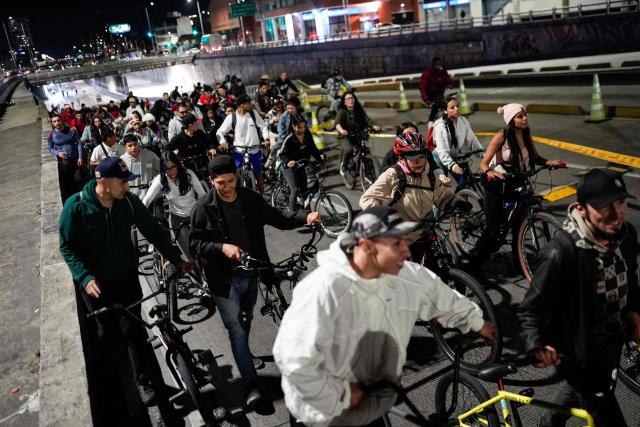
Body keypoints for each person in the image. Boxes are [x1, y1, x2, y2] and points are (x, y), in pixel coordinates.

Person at [273, 206, 497, 426]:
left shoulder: (404, 275)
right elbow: (294, 358)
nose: (407, 251)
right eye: (396, 243)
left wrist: (477, 323)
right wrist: (343, 394)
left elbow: (440, 296)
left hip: (370, 396)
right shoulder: (324, 289)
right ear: (367, 247)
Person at [59, 156, 193, 407]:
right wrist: (84, 277)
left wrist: (176, 260)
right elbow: (67, 247)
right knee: (106, 335)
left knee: (133, 330)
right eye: (123, 182)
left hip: (126, 276)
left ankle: (142, 380)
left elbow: (153, 230)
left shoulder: (128, 203)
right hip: (96, 285)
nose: (128, 187)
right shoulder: (75, 207)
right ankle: (114, 390)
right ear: (105, 182)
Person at [189, 155, 321, 407]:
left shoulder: (249, 198)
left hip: (252, 274)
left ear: (237, 177)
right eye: (220, 183)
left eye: (231, 181)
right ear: (210, 182)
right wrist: (221, 247)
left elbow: (277, 217)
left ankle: (244, 352)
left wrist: (305, 216)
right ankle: (251, 386)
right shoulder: (203, 207)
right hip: (224, 281)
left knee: (246, 320)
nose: (227, 187)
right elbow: (195, 245)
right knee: (236, 330)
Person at [518, 168, 640, 427]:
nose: (616, 214)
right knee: (601, 405)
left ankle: (549, 422)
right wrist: (536, 345)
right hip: (579, 347)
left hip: (613, 336)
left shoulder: (626, 235)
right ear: (581, 208)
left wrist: (632, 311)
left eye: (620, 203)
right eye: (605, 206)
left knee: (586, 390)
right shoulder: (561, 253)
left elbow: (631, 279)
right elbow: (531, 310)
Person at [468, 104, 564, 268]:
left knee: (518, 225)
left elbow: (534, 156)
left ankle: (520, 265)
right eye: (520, 116)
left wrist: (549, 162)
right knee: (493, 232)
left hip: (515, 183)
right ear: (511, 119)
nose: (525, 118)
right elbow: (484, 163)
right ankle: (472, 263)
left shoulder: (526, 133)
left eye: (525, 115)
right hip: (497, 185)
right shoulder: (502, 135)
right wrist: (490, 172)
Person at [360, 131, 457, 261]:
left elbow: (440, 196)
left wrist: (456, 202)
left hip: (424, 232)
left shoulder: (429, 175)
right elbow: (367, 199)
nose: (418, 162)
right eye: (412, 158)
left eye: (421, 157)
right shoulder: (393, 175)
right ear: (401, 159)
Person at [142, 151, 206, 257]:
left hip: (195, 216)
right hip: (177, 220)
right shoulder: (161, 179)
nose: (171, 172)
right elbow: (147, 200)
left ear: (178, 165)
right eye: (167, 169)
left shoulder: (188, 174)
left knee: (204, 250)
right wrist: (139, 216)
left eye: (173, 167)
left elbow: (202, 195)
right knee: (190, 255)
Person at [215, 94, 269, 192]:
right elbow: (219, 132)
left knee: (260, 180)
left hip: (254, 150)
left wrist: (266, 139)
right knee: (236, 177)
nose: (251, 105)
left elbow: (263, 126)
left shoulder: (253, 113)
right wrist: (223, 142)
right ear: (241, 105)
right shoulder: (232, 117)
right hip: (239, 152)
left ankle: (262, 199)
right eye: (248, 103)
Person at [279, 114, 326, 211]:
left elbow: (313, 149)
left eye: (304, 126)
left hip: (300, 166)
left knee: (305, 191)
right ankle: (291, 214)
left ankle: (307, 216)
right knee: (295, 189)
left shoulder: (307, 135)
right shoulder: (289, 138)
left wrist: (320, 156)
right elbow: (281, 154)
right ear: (293, 126)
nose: (303, 130)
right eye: (299, 127)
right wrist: (288, 161)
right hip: (289, 167)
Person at [432, 95, 483, 181]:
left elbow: (472, 140)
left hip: (455, 155)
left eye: (457, 106)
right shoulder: (441, 126)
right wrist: (452, 165)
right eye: (452, 107)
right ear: (445, 111)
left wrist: (482, 153)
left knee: (465, 181)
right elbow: (442, 151)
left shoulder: (463, 121)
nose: (456, 109)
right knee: (444, 185)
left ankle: (463, 193)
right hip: (440, 157)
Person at [335, 92, 380, 176]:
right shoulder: (342, 111)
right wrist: (342, 130)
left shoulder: (358, 110)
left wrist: (374, 126)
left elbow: (367, 120)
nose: (350, 100)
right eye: (348, 99)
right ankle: (344, 166)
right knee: (349, 149)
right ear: (344, 102)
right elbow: (337, 123)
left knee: (365, 150)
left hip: (357, 134)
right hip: (345, 136)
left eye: (352, 98)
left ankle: (369, 172)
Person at [48, 114, 84, 203]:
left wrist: (80, 157)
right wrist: (58, 153)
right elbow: (50, 148)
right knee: (68, 182)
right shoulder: (51, 135)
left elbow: (79, 143)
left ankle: (82, 198)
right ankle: (73, 201)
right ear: (52, 124)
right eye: (54, 121)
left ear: (62, 120)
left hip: (76, 159)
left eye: (58, 120)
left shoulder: (72, 131)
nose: (57, 123)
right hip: (64, 162)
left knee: (79, 179)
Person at [119, 134, 161, 200]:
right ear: (125, 147)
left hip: (151, 194)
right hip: (133, 198)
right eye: (130, 146)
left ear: (138, 144)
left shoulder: (149, 154)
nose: (133, 147)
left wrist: (155, 179)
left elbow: (160, 169)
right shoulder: (122, 160)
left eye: (135, 144)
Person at [418, 57, 455, 124]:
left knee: (447, 106)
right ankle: (430, 123)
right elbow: (422, 87)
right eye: (437, 65)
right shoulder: (427, 73)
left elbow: (448, 80)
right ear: (433, 65)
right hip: (430, 96)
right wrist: (426, 99)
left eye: (440, 64)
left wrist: (450, 84)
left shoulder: (443, 72)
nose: (439, 66)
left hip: (440, 95)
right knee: (435, 108)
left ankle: (448, 122)